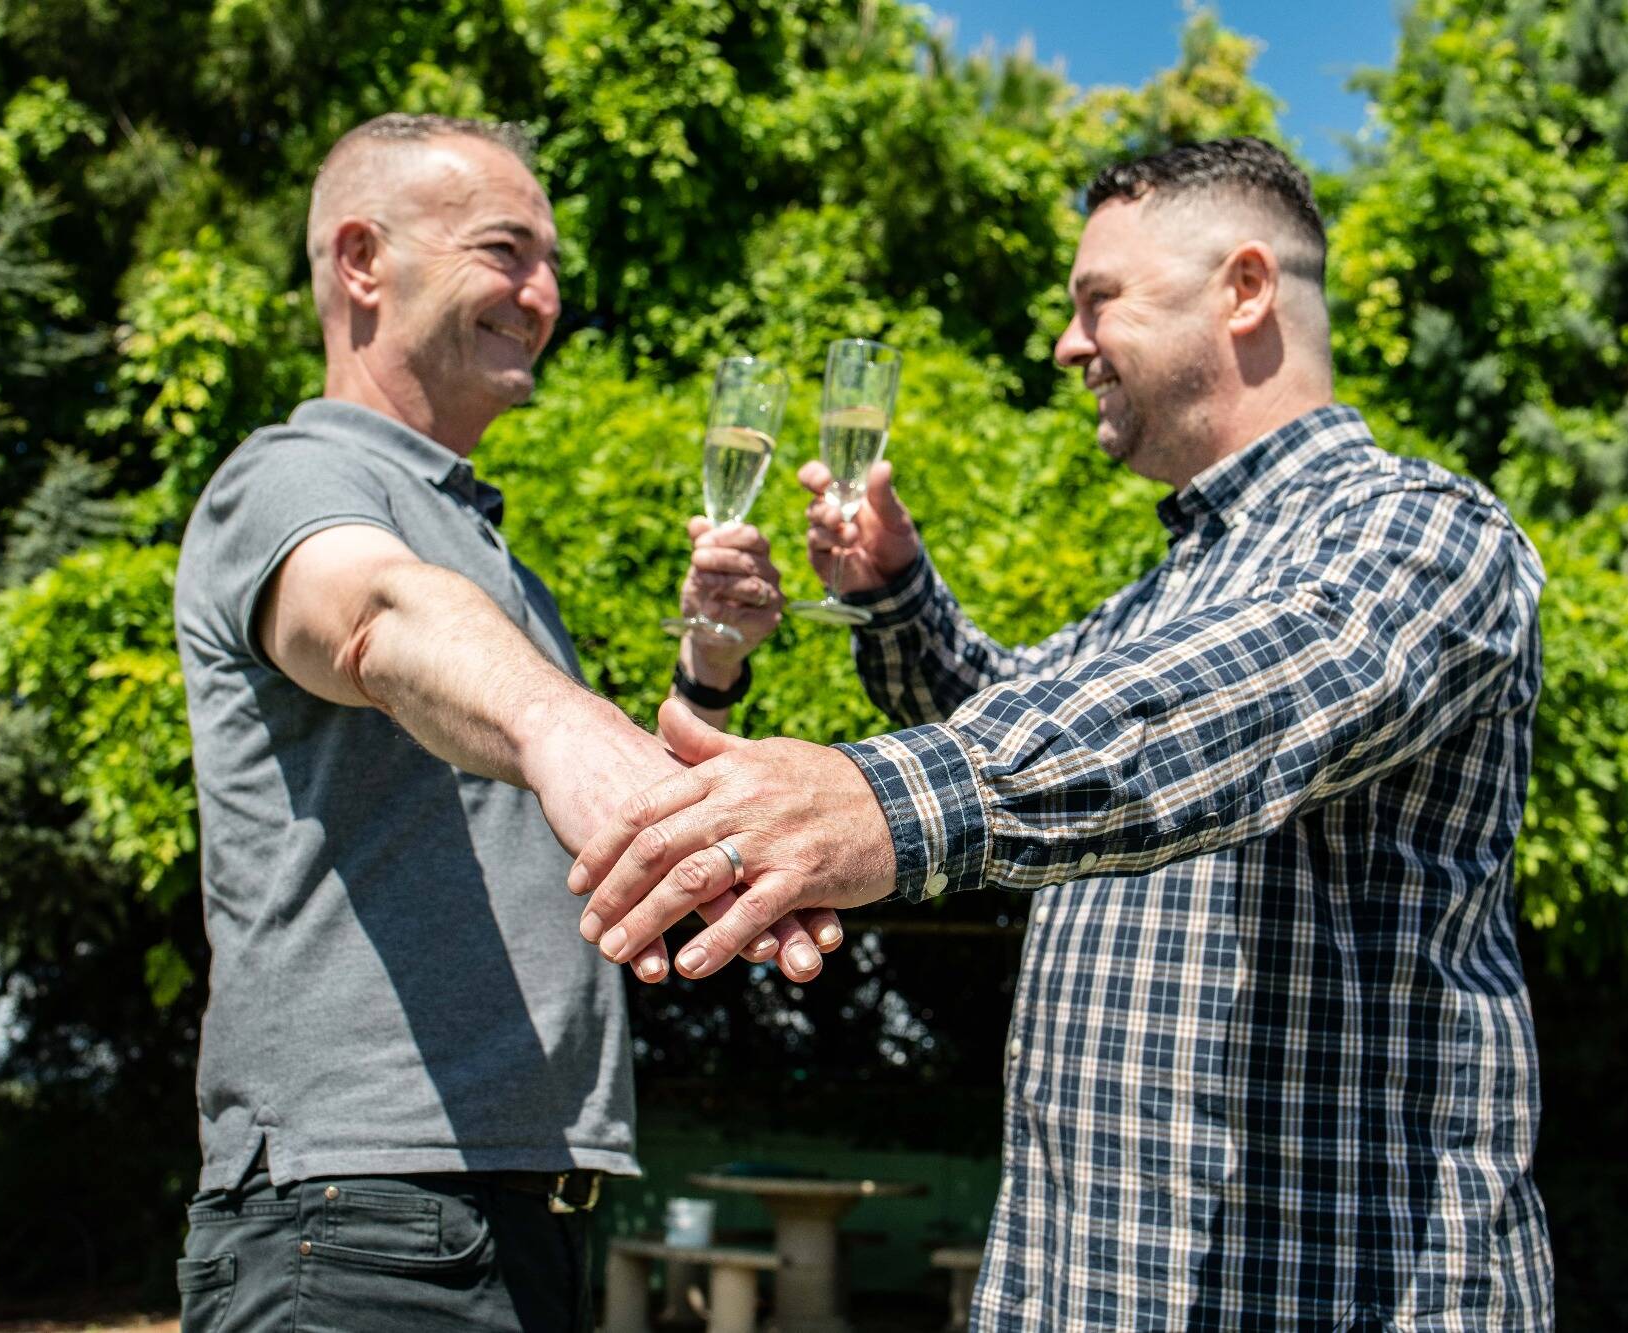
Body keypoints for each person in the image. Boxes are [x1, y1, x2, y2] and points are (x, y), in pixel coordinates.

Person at [571, 138, 1554, 1329]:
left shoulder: (1428, 534)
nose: (1066, 343)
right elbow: (1016, 713)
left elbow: (1224, 712)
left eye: (1099, 302)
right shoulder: (1167, 590)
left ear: (1244, 290)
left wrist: (873, 800)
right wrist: (894, 594)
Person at [170, 112, 833, 1330]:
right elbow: (376, 618)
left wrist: (706, 676)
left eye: (551, 267)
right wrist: (553, 721)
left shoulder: (486, 548)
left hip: (511, 1212)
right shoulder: (289, 482)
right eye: (504, 251)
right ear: (361, 261)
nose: (542, 294)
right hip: (363, 1223)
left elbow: (586, 815)